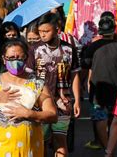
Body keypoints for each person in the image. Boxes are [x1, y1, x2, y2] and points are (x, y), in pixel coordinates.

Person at [0, 39, 57, 157]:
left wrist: (29, 114)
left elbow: (53, 115)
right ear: (4, 59)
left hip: (29, 149)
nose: (15, 61)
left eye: (20, 58)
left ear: (26, 58)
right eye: (11, 58)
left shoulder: (38, 84)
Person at [28, 12, 81, 157]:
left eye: (46, 31)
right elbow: (27, 77)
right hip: (40, 103)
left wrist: (77, 100)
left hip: (64, 102)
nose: (43, 34)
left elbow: (75, 75)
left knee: (60, 140)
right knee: (42, 142)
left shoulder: (69, 49)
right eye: (40, 31)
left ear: (57, 29)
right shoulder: (34, 49)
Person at [82, 16, 117, 150]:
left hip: (98, 88)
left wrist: (82, 84)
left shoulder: (92, 47)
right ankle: (114, 145)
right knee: (116, 117)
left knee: (100, 118)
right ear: (114, 30)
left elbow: (84, 68)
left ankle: (108, 148)